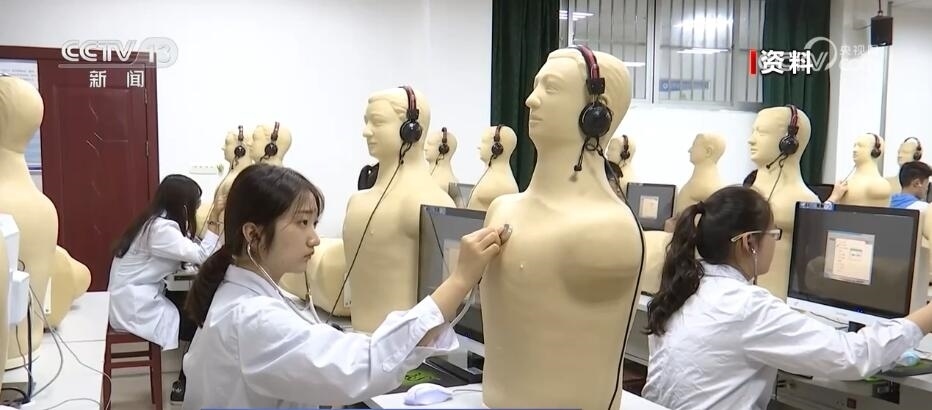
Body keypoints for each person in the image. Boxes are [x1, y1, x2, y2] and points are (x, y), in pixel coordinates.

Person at [181, 164, 505, 409]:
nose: (314, 238)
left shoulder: (236, 294)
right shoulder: (253, 318)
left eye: (314, 223)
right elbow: (367, 364)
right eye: (302, 223)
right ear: (253, 234)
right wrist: (460, 279)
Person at [642, 185, 932, 410]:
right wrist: (925, 318)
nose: (775, 241)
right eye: (774, 234)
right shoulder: (745, 306)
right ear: (749, 242)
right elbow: (851, 356)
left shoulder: (682, 289)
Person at [108, 174, 223, 403]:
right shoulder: (160, 229)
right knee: (204, 322)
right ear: (183, 205)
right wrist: (214, 221)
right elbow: (203, 255)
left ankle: (187, 381)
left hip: (136, 296)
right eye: (195, 205)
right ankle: (188, 384)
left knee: (199, 308)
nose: (195, 210)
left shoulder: (154, 222)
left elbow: (187, 251)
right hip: (135, 305)